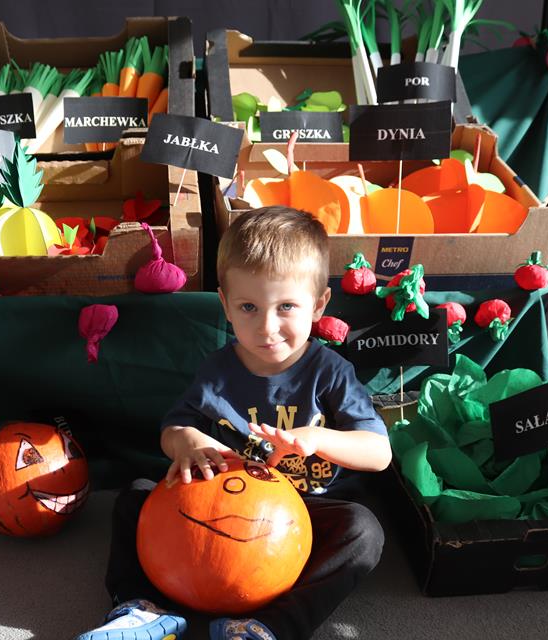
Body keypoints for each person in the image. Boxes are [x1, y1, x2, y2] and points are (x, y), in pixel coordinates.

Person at [75, 206, 392, 640]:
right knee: (137, 495)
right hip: (221, 501)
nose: (267, 327)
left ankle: (269, 626)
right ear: (225, 305)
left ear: (319, 305)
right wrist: (188, 441)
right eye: (248, 307)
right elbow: (174, 428)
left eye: (286, 306)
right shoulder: (218, 371)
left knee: (364, 531)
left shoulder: (331, 372)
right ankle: (141, 607)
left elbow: (378, 453)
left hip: (304, 513)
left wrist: (318, 438)